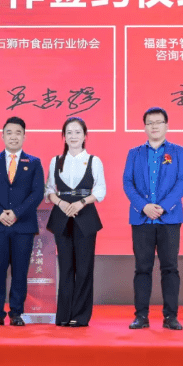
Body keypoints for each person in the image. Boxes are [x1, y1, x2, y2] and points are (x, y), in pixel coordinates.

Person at [123, 107, 183, 330]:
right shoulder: (134, 153)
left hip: (169, 219)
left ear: (166, 126)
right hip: (142, 219)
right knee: (142, 268)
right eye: (150, 122)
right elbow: (128, 183)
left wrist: (163, 206)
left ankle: (171, 316)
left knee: (170, 268)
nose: (154, 126)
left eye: (158, 122)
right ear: (144, 127)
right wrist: (144, 206)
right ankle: (141, 316)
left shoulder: (178, 152)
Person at [0, 116, 44, 326]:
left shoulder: (34, 162)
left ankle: (16, 312)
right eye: (9, 132)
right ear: (2, 136)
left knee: (20, 271)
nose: (13, 137)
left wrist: (16, 213)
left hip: (23, 225)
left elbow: (37, 193)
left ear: (24, 136)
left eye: (18, 133)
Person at [45, 117, 106, 327]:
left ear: (85, 136)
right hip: (62, 216)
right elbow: (49, 190)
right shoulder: (56, 161)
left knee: (84, 267)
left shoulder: (94, 161)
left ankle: (80, 316)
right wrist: (61, 203)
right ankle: (63, 314)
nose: (73, 136)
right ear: (64, 136)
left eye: (77, 132)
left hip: (85, 216)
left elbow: (100, 190)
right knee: (66, 267)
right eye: (69, 132)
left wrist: (81, 202)